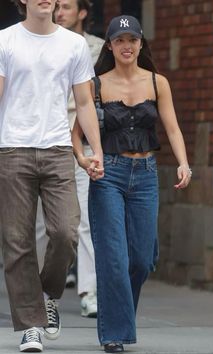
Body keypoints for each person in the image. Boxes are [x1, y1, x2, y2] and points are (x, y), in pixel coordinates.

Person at [72, 15, 192, 353]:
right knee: (113, 258)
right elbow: (76, 135)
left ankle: (119, 316)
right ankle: (115, 333)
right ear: (110, 45)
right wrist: (83, 160)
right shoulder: (94, 84)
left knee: (140, 259)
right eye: (120, 40)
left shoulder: (158, 82)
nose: (127, 46)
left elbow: (172, 128)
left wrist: (184, 163)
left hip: (146, 175)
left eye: (133, 39)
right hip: (108, 174)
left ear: (141, 44)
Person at [0, 0, 103, 352]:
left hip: (59, 151)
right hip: (13, 150)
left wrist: (94, 151)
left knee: (65, 231)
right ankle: (31, 326)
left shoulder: (73, 45)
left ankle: (47, 294)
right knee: (18, 242)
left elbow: (85, 103)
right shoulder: (5, 41)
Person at [55, 0, 104, 317]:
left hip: (82, 140)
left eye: (66, 6)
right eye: (56, 6)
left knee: (87, 218)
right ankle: (45, 293)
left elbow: (95, 96)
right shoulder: (38, 41)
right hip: (47, 139)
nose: (59, 12)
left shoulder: (98, 49)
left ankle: (89, 291)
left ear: (82, 13)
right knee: (46, 225)